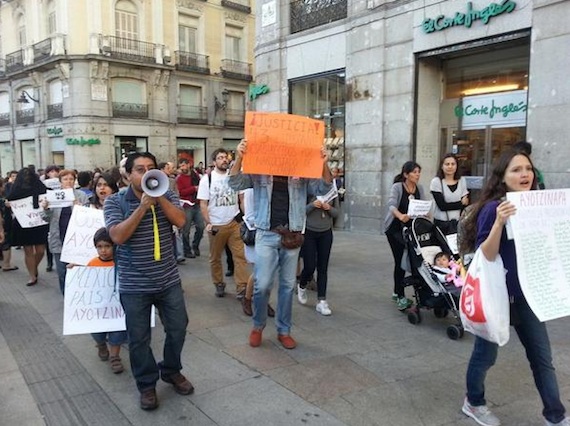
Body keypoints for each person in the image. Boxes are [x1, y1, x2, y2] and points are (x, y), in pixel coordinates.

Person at [460, 149, 568, 426]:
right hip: (496, 296)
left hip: (527, 296)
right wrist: (499, 222)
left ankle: (555, 416)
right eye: (516, 170)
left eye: (528, 169)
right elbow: (487, 253)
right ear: (503, 177)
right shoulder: (493, 208)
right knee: (485, 356)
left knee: (542, 358)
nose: (524, 175)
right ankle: (474, 402)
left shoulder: (537, 204)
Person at [104, 152, 192, 411]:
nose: (146, 173)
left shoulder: (167, 193)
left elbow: (181, 221)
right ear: (128, 174)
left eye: (151, 168)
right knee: (139, 339)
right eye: (139, 169)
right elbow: (118, 237)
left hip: (168, 280)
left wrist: (160, 199)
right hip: (134, 285)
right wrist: (142, 206)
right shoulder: (115, 201)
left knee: (178, 328)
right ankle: (146, 384)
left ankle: (171, 370)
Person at [229, 139, 332, 350]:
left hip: (292, 235)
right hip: (266, 234)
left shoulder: (301, 172)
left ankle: (284, 330)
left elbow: (324, 186)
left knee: (287, 286)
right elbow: (234, 183)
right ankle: (258, 326)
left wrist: (323, 162)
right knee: (262, 284)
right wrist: (239, 156)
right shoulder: (260, 170)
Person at [197, 148, 249, 298]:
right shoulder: (207, 179)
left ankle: (242, 287)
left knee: (240, 256)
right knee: (215, 258)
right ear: (214, 162)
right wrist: (209, 222)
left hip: (234, 223)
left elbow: (242, 199)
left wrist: (244, 218)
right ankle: (219, 283)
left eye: (225, 158)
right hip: (216, 225)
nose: (224, 160)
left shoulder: (234, 177)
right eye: (220, 158)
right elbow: (203, 204)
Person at [383, 161, 425, 311]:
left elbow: (422, 205)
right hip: (395, 228)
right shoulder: (398, 187)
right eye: (414, 172)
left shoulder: (419, 188)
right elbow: (391, 205)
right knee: (400, 260)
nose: (417, 175)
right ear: (406, 174)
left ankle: (396, 291)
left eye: (419, 172)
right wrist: (400, 216)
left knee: (413, 260)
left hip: (411, 229)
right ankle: (400, 295)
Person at [40, 169, 89, 294]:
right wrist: (45, 209)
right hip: (59, 239)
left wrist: (80, 208)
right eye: (65, 179)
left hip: (77, 240)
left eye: (71, 179)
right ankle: (66, 297)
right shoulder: (53, 196)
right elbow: (46, 218)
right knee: (62, 273)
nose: (69, 182)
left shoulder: (81, 195)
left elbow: (87, 217)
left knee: (78, 272)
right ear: (60, 182)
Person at [86, 227, 128, 374]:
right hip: (99, 308)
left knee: (118, 331)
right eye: (99, 247)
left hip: (117, 308)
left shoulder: (121, 263)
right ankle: (101, 344)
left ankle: (115, 356)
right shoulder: (92, 263)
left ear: (114, 246)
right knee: (97, 332)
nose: (103, 250)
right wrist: (75, 270)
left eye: (107, 246)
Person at [297, 194, 338, 316]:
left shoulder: (331, 192)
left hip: (326, 232)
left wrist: (328, 208)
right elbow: (299, 211)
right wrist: (312, 205)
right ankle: (302, 284)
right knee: (310, 266)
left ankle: (322, 300)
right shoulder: (308, 189)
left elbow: (336, 213)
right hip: (309, 232)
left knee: (323, 267)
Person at [7, 167, 49, 286]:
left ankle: (33, 267)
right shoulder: (16, 190)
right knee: (28, 251)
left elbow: (48, 198)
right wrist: (8, 204)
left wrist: (47, 205)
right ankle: (32, 275)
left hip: (39, 223)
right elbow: (9, 200)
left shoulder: (40, 187)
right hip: (23, 224)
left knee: (41, 250)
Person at [430, 153, 469, 235]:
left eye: (453, 164)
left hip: (457, 224)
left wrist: (462, 204)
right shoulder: (436, 182)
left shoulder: (462, 180)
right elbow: (442, 206)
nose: (450, 167)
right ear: (442, 166)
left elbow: (466, 204)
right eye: (447, 164)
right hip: (441, 224)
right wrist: (460, 203)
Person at [176, 159, 204, 259]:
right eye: (181, 166)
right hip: (187, 205)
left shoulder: (195, 175)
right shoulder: (179, 179)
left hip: (197, 203)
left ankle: (195, 245)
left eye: (184, 165)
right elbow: (181, 192)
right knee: (186, 229)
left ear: (188, 165)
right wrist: (193, 189)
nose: (182, 168)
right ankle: (187, 250)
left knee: (201, 227)